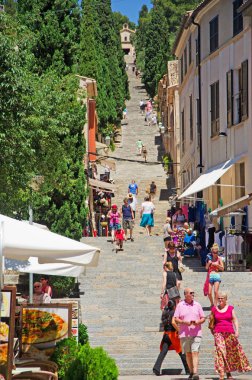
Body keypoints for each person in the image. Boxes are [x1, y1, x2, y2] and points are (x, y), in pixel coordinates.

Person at [210, 291, 251, 380]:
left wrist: (237, 331)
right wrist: (213, 331)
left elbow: (235, 320)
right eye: (219, 298)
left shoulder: (230, 308)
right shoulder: (214, 309)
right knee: (220, 351)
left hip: (229, 333)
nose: (220, 300)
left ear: (226, 299)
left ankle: (228, 373)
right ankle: (221, 373)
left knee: (229, 353)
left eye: (222, 298)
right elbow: (211, 321)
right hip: (218, 333)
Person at [174, 288, 205, 380]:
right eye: (191, 293)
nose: (193, 294)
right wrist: (184, 322)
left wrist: (198, 322)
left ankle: (195, 372)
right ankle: (191, 371)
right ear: (185, 294)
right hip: (184, 333)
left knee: (195, 352)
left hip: (196, 332)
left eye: (193, 293)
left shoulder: (197, 305)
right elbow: (176, 318)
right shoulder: (180, 305)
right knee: (188, 353)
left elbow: (203, 318)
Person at [153, 300, 190, 376]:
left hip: (166, 334)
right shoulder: (174, 312)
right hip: (172, 335)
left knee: (163, 352)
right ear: (174, 306)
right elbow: (173, 322)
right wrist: (179, 330)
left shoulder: (165, 313)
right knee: (181, 352)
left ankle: (156, 368)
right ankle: (188, 370)